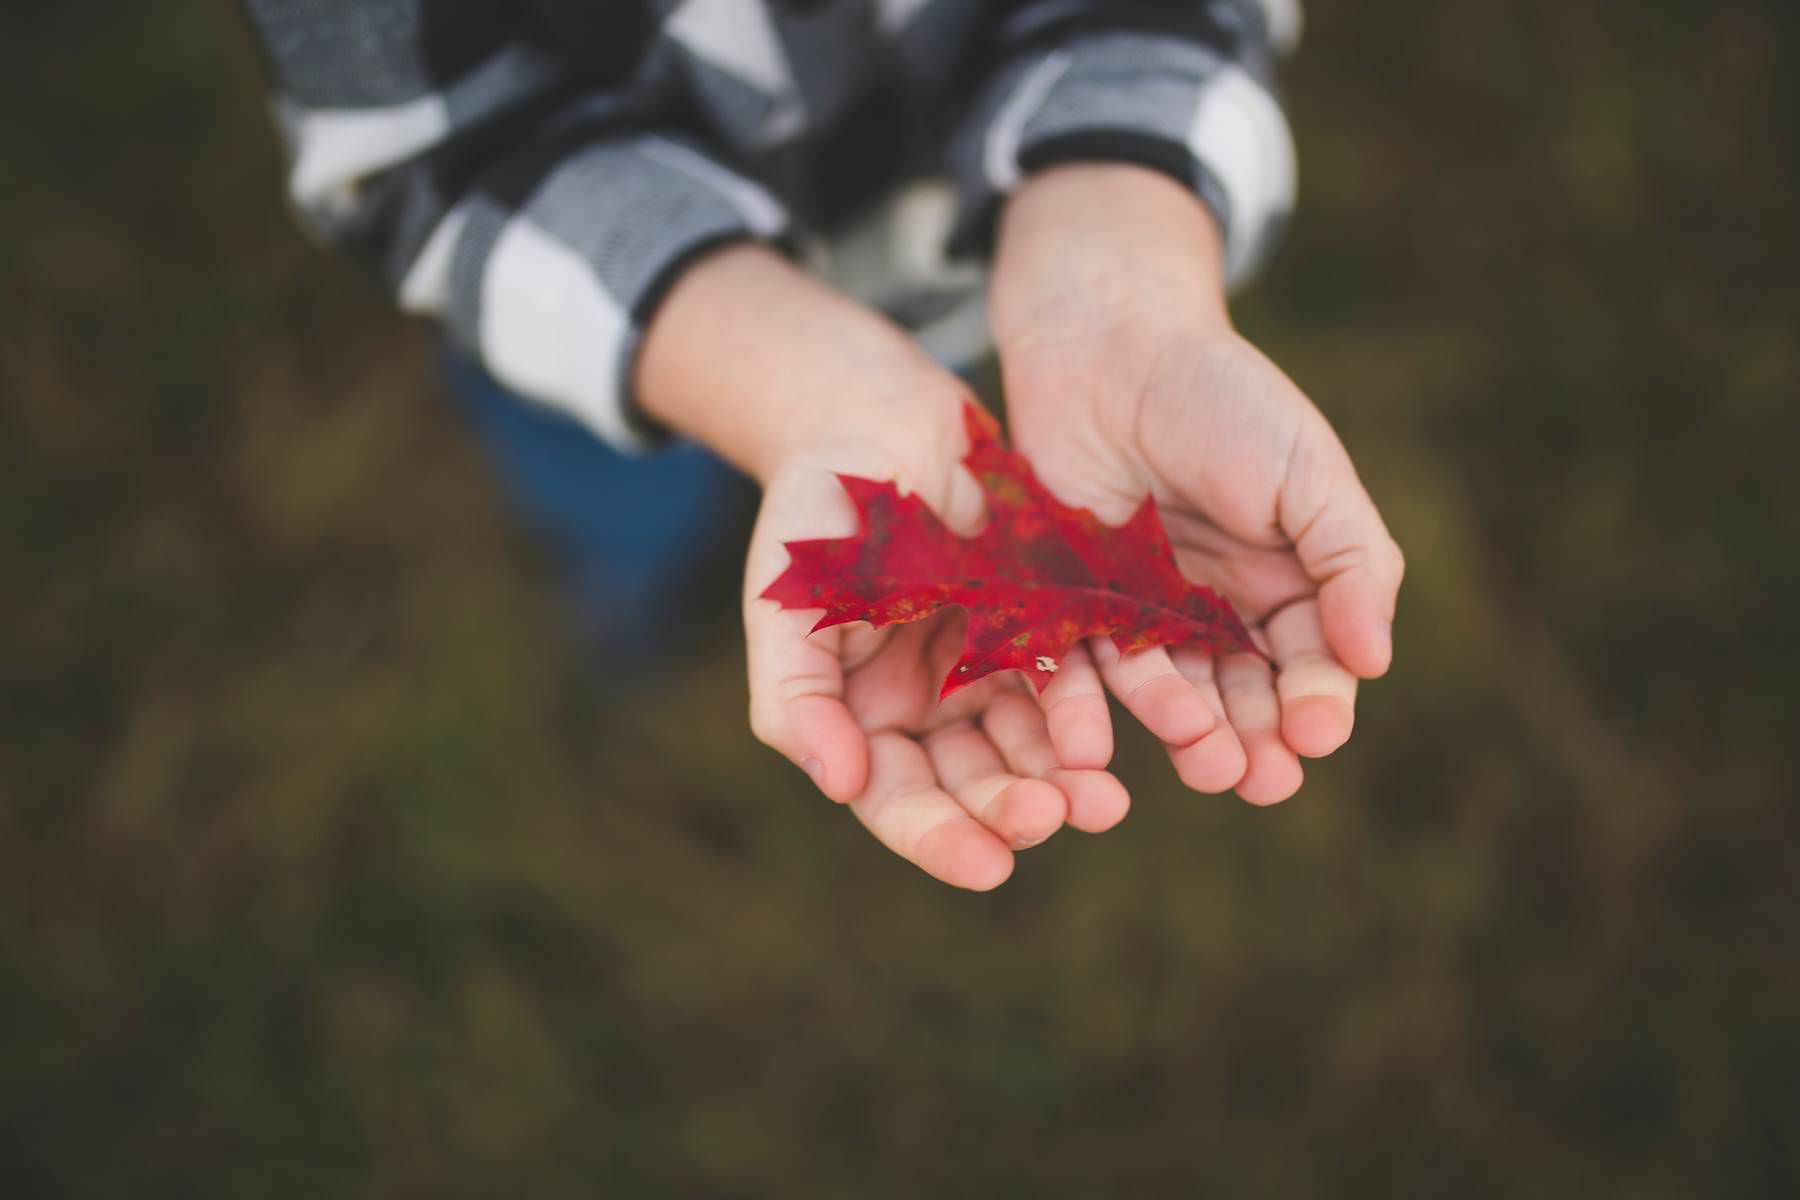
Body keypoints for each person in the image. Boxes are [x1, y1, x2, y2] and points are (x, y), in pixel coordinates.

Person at [244, 0, 1403, 890]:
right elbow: (439, 146)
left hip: (956, 273)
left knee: (941, 442)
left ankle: (636, 589)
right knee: (612, 490)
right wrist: (789, 385)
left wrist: (1118, 255)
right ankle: (626, 589)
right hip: (602, 304)